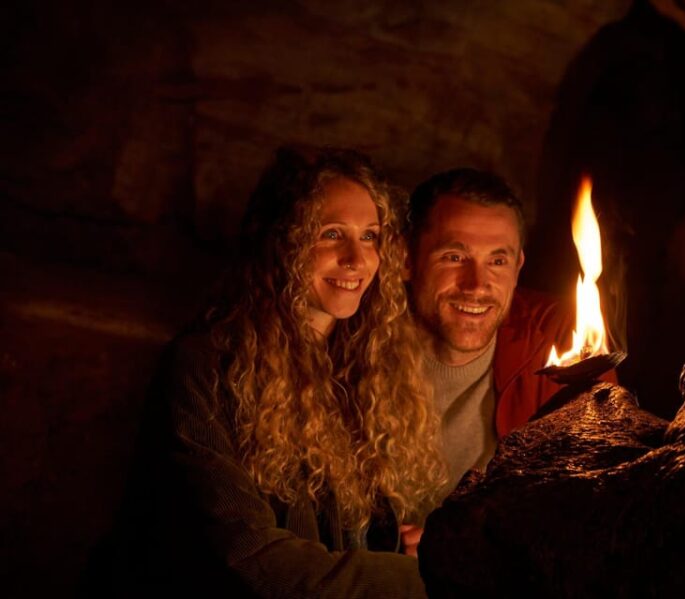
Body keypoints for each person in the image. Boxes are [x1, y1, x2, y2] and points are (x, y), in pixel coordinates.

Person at [88, 148, 446, 598]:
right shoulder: (208, 367)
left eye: (370, 236)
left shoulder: (366, 368)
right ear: (283, 242)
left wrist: (398, 548)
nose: (357, 258)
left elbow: (347, 537)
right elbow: (246, 558)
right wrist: (419, 583)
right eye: (331, 233)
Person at [404, 168, 616, 503]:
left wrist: (466, 537)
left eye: (497, 261)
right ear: (407, 260)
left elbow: (601, 493)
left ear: (518, 267)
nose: (476, 285)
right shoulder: (360, 339)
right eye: (455, 257)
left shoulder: (562, 337)